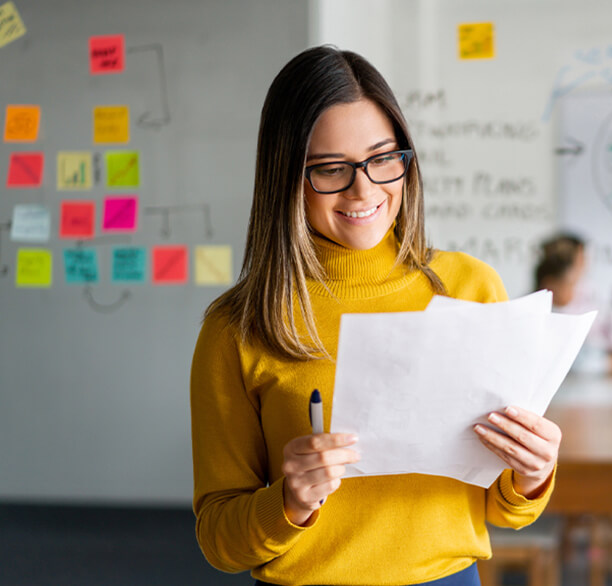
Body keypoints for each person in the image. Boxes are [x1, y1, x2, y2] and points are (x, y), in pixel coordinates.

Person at [190, 46, 560, 586]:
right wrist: (287, 503)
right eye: (330, 169)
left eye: (383, 158)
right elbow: (219, 540)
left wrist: (534, 471)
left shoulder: (471, 287)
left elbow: (503, 509)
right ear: (287, 177)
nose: (364, 190)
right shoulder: (239, 325)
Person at [534, 232, 612, 374]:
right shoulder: (554, 291)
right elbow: (571, 361)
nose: (585, 263)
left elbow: (602, 334)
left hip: (598, 361)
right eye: (582, 257)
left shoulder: (585, 289)